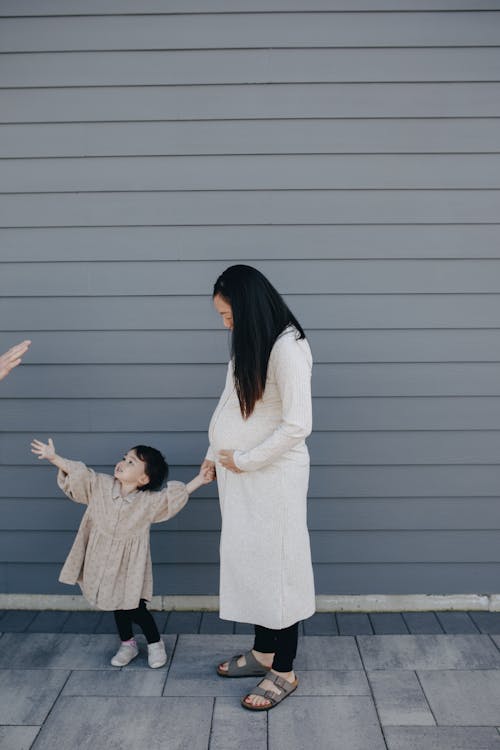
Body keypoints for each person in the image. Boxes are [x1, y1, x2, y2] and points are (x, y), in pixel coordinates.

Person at [201, 264, 315, 711]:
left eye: (229, 315)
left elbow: (298, 424)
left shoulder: (289, 348)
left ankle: (283, 669)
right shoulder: (254, 342)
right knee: (252, 563)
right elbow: (232, 401)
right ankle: (263, 652)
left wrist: (243, 460)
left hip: (272, 479)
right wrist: (214, 452)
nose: (226, 324)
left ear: (248, 307)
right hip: (241, 477)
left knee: (278, 569)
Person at [31, 438, 214, 668]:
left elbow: (171, 499)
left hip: (129, 564)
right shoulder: (101, 486)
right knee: (114, 602)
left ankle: (155, 643)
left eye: (131, 462)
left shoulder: (147, 502)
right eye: (124, 458)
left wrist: (200, 479)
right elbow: (80, 474)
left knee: (134, 606)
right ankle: (128, 644)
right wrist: (53, 457)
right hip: (101, 557)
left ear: (143, 478)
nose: (122, 463)